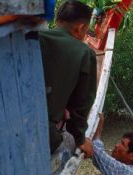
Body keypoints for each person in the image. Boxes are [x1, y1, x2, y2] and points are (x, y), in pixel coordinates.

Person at [39, 0, 96, 155]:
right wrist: (80, 139)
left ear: (58, 21)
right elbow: (81, 105)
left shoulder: (35, 37)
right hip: (44, 136)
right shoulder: (85, 53)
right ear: (81, 28)